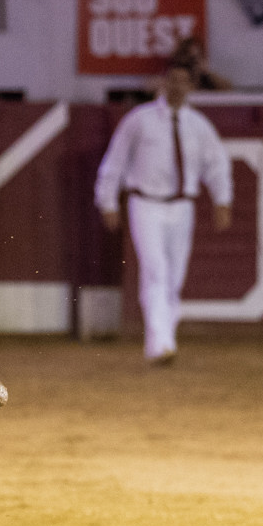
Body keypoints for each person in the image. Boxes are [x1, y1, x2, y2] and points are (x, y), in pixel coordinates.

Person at [94, 60, 233, 365]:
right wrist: (108, 201)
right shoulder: (139, 120)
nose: (177, 86)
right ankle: (162, 343)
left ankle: (161, 340)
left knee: (174, 278)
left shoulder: (198, 125)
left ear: (191, 87)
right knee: (156, 271)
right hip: (146, 204)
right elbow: (114, 162)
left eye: (184, 81)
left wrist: (222, 200)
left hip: (183, 206)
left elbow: (216, 164)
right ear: (162, 83)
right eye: (172, 80)